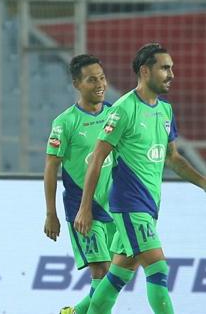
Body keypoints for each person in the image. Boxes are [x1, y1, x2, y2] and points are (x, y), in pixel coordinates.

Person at [74, 43, 206, 314]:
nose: (171, 74)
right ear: (145, 71)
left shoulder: (165, 110)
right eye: (165, 68)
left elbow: (173, 159)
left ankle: (75, 313)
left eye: (172, 68)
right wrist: (85, 207)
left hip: (149, 205)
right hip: (129, 205)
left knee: (116, 278)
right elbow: (98, 158)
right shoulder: (124, 109)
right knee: (158, 269)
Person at [43, 54, 115, 314]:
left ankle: (74, 312)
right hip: (82, 208)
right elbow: (51, 168)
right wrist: (51, 214)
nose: (100, 84)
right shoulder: (66, 122)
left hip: (114, 207)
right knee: (102, 270)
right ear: (77, 84)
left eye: (102, 77)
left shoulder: (114, 114)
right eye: (91, 79)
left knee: (115, 278)